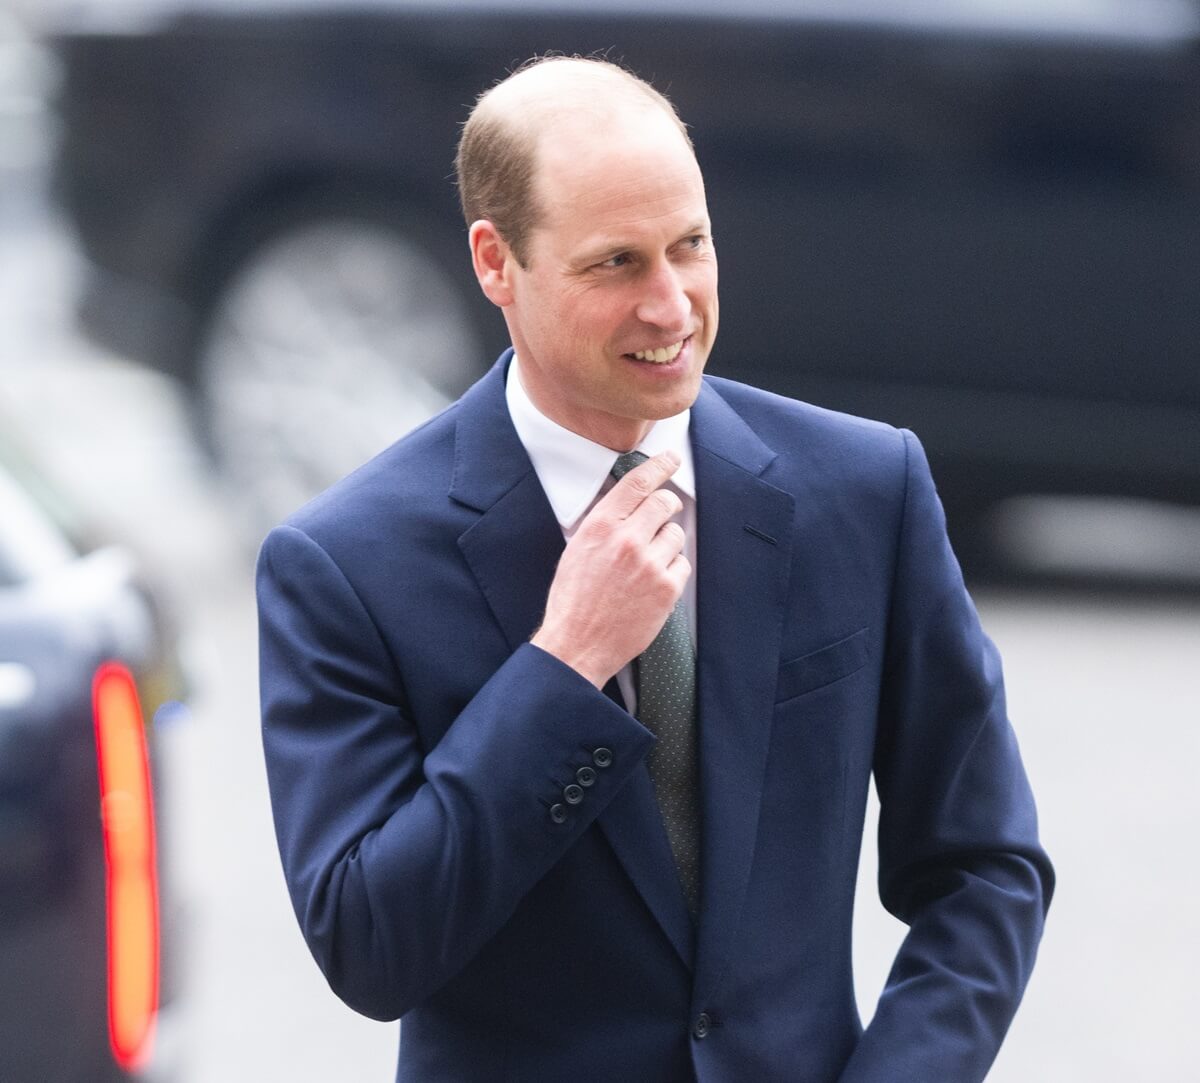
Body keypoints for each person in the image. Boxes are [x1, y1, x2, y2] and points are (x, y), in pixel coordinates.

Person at [257, 56, 1053, 1081]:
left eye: (692, 245)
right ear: (497, 263)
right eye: (616, 264)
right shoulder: (344, 565)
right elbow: (370, 948)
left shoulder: (865, 488)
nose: (672, 306)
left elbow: (985, 868)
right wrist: (565, 664)